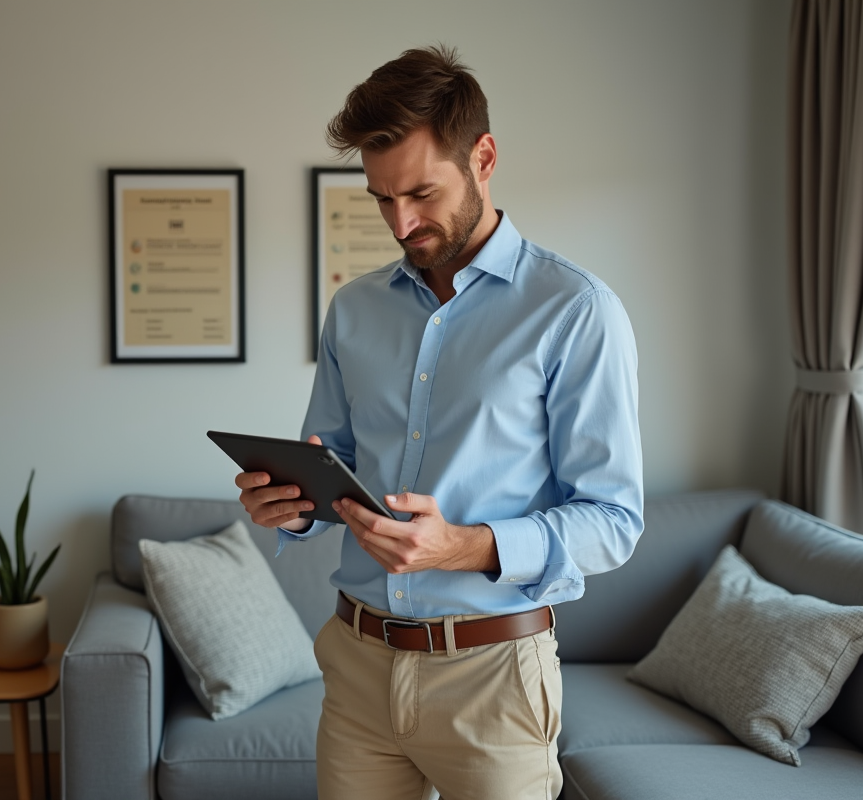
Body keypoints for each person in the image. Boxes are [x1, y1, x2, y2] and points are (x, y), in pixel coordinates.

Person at [234, 45, 643, 800]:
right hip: (357, 666)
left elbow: (614, 521)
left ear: (483, 157)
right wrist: (290, 509)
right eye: (382, 199)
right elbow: (338, 461)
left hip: (494, 677)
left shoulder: (576, 311)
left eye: (421, 193)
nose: (402, 221)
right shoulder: (353, 309)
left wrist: (463, 547)